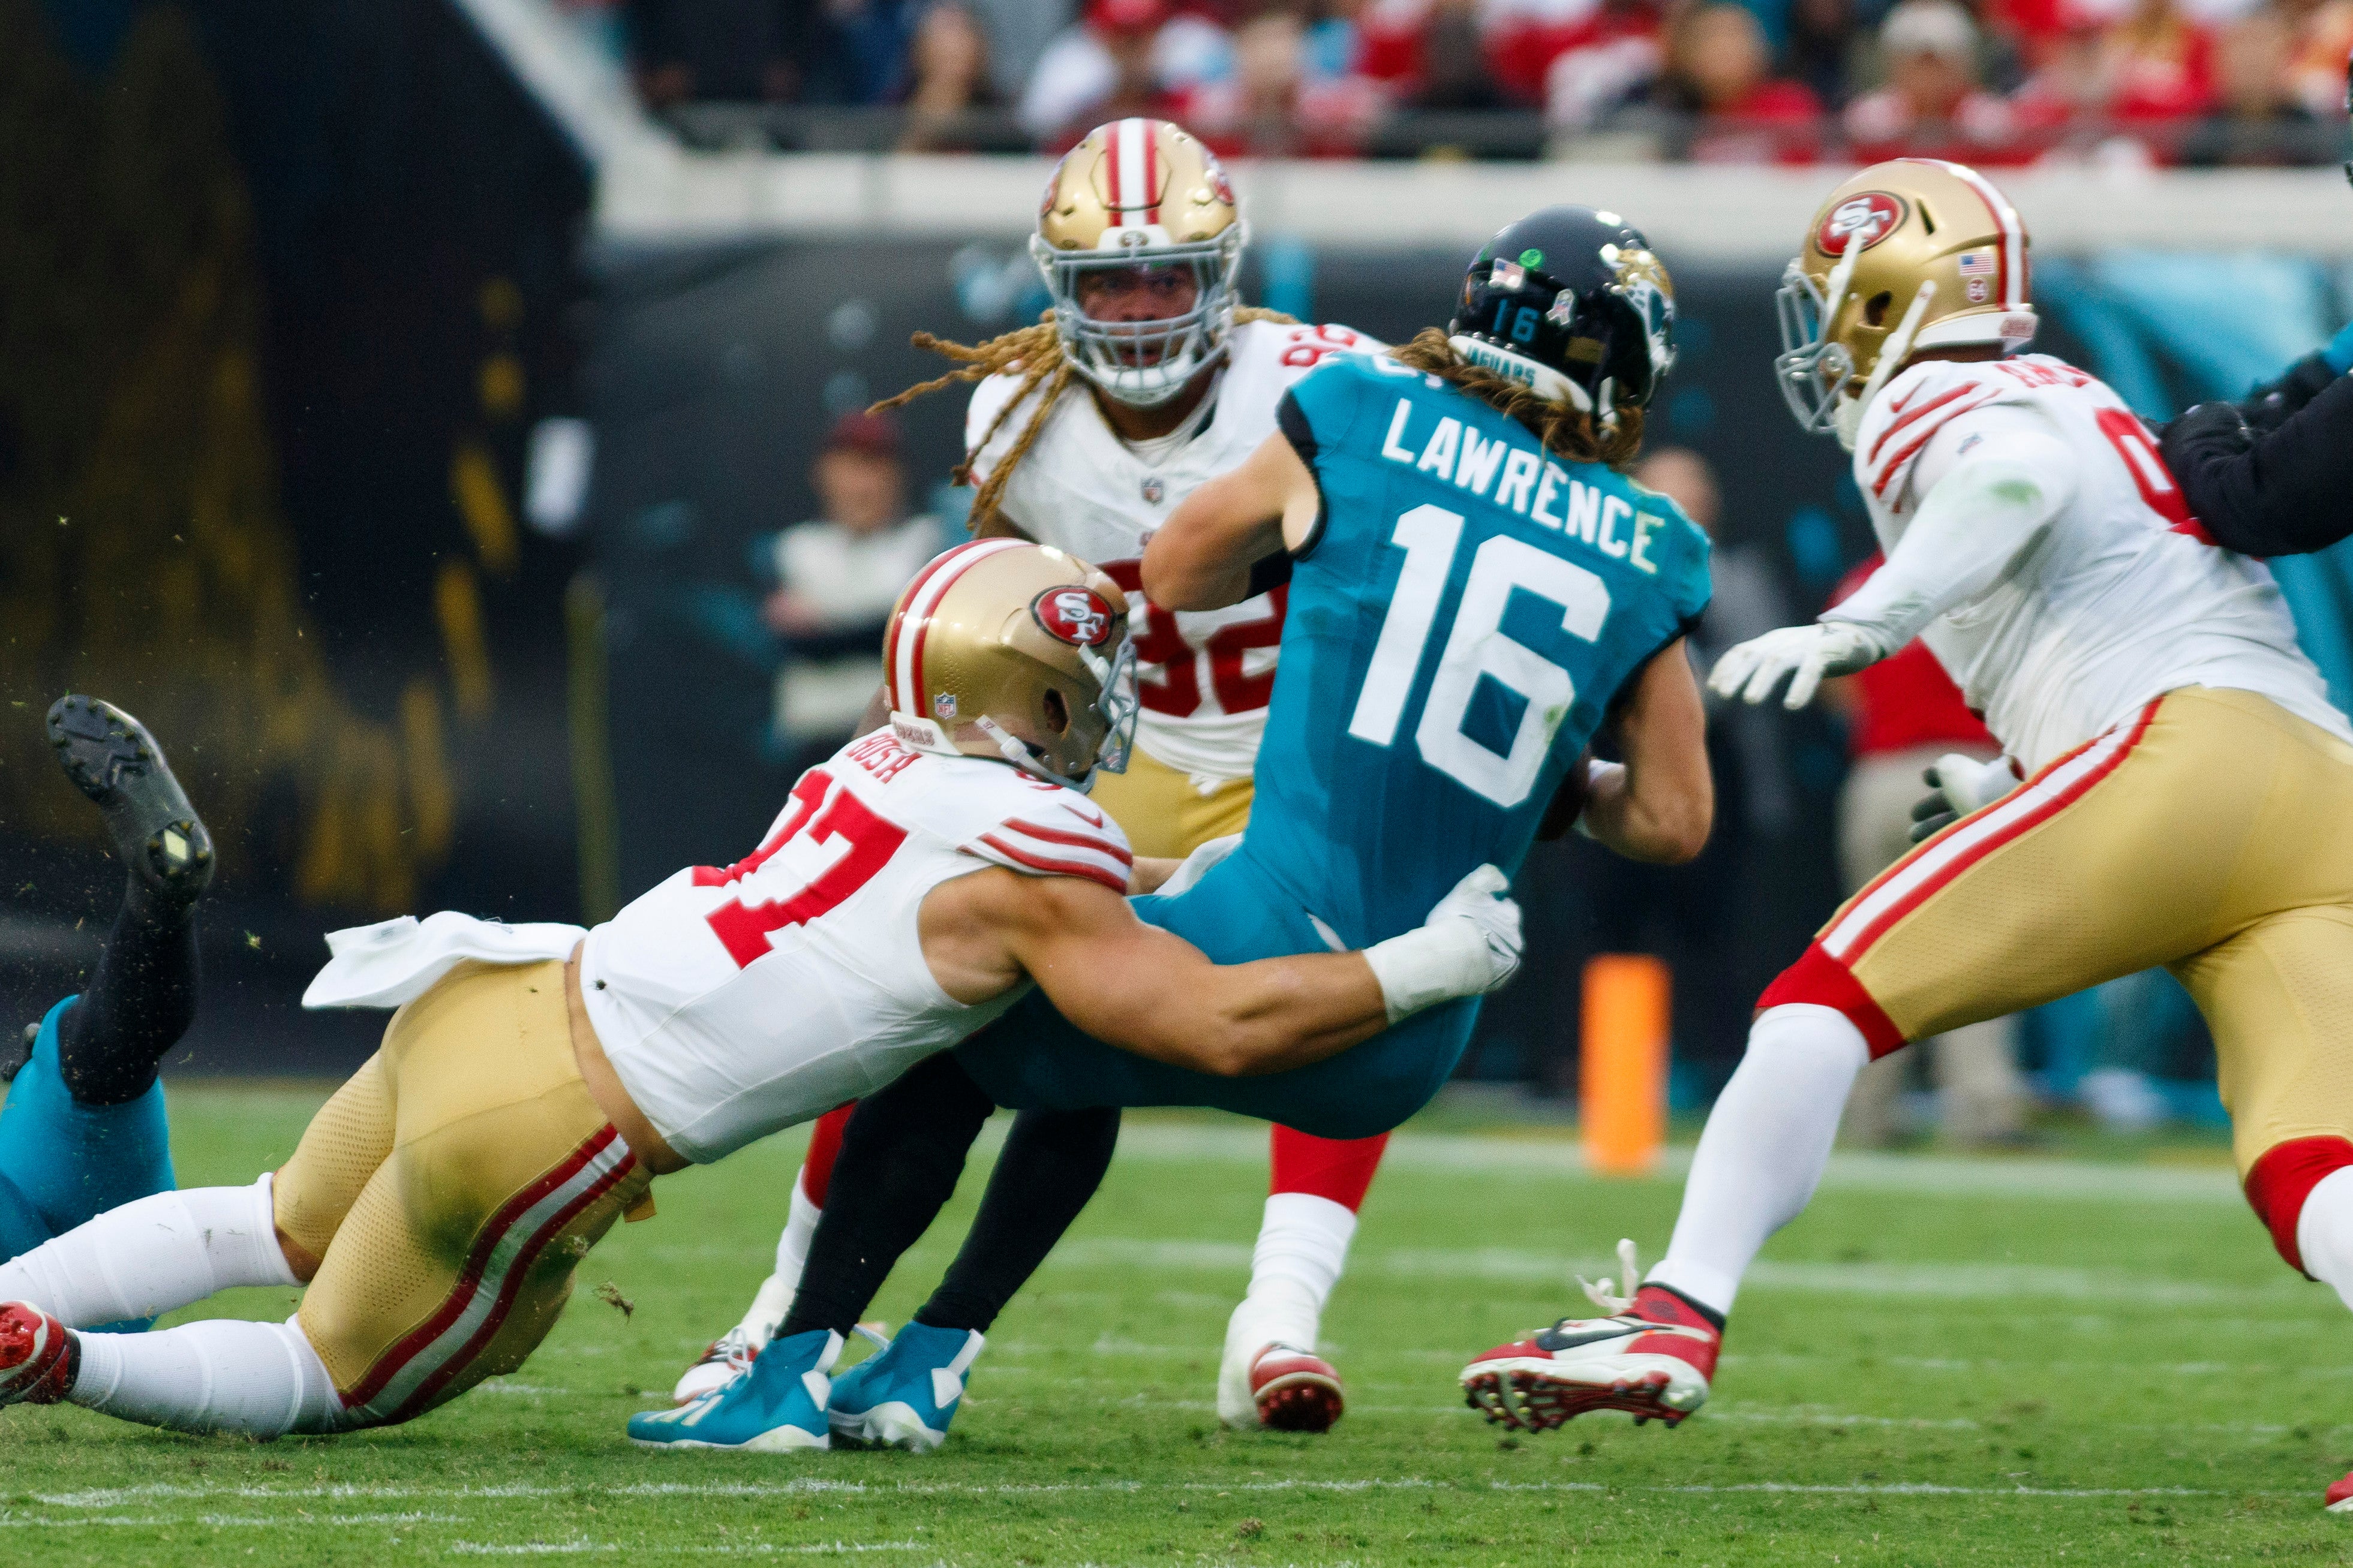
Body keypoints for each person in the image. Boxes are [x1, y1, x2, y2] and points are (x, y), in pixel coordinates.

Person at [0, 543, 1523, 1442]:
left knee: (266, 1216)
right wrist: (1419, 965)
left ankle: (13, 1301)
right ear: (1023, 692)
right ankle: (64, 1358)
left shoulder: (879, 753)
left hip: (496, 989)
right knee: (328, 1374)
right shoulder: (1037, 851)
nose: (1100, 709)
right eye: (1078, 683)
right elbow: (1212, 1023)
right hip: (557, 1123)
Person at [654, 204, 1715, 1459]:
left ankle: (784, 1364)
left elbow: (1177, 568)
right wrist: (1551, 777)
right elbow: (1666, 819)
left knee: (974, 1022)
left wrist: (1322, 572)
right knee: (1097, 1003)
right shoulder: (1655, 544)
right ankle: (929, 1358)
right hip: (1409, 1037)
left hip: (1261, 944)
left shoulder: (1368, 414)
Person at [1459, 162, 2353, 1517]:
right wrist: (2011, 775)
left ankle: (1672, 1314)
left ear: (1887, 293)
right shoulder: (2081, 391)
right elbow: (2131, 603)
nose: (1820, 335)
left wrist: (1864, 619)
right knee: (2306, 1157)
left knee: (1814, 1009)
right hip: (2306, 782)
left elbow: (2013, 482)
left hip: (2188, 756)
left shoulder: (1939, 398)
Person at [676, 117, 1407, 1438]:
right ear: (1053, 285)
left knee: (1321, 1005)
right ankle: (776, 1317)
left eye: (1165, 278)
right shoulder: (1013, 406)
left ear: (1222, 274)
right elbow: (1000, 606)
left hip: (1288, 762)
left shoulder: (1327, 383)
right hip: (1124, 757)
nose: (1134, 311)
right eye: (1106, 283)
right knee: (932, 1003)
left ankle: (1278, 1317)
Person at [0, 697, 214, 1320]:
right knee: (97, 1063)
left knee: (94, 1062)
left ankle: (159, 903)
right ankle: (159, 907)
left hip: (90, 1287)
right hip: (103, 1259)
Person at [1820, 552, 2029, 1148]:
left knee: (1872, 948)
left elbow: (1834, 678)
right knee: (1973, 946)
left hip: (1877, 774)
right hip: (1962, 770)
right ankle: (1982, 1107)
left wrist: (1881, 715)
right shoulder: (1979, 567)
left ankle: (1867, 1110)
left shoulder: (1861, 579)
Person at [762, 411, 943, 774]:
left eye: (875, 468)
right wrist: (879, 623)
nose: (862, 486)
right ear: (824, 474)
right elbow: (789, 639)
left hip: (898, 747)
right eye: (850, 468)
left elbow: (907, 637)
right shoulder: (795, 547)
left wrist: (828, 624)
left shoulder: (928, 542)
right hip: (811, 744)